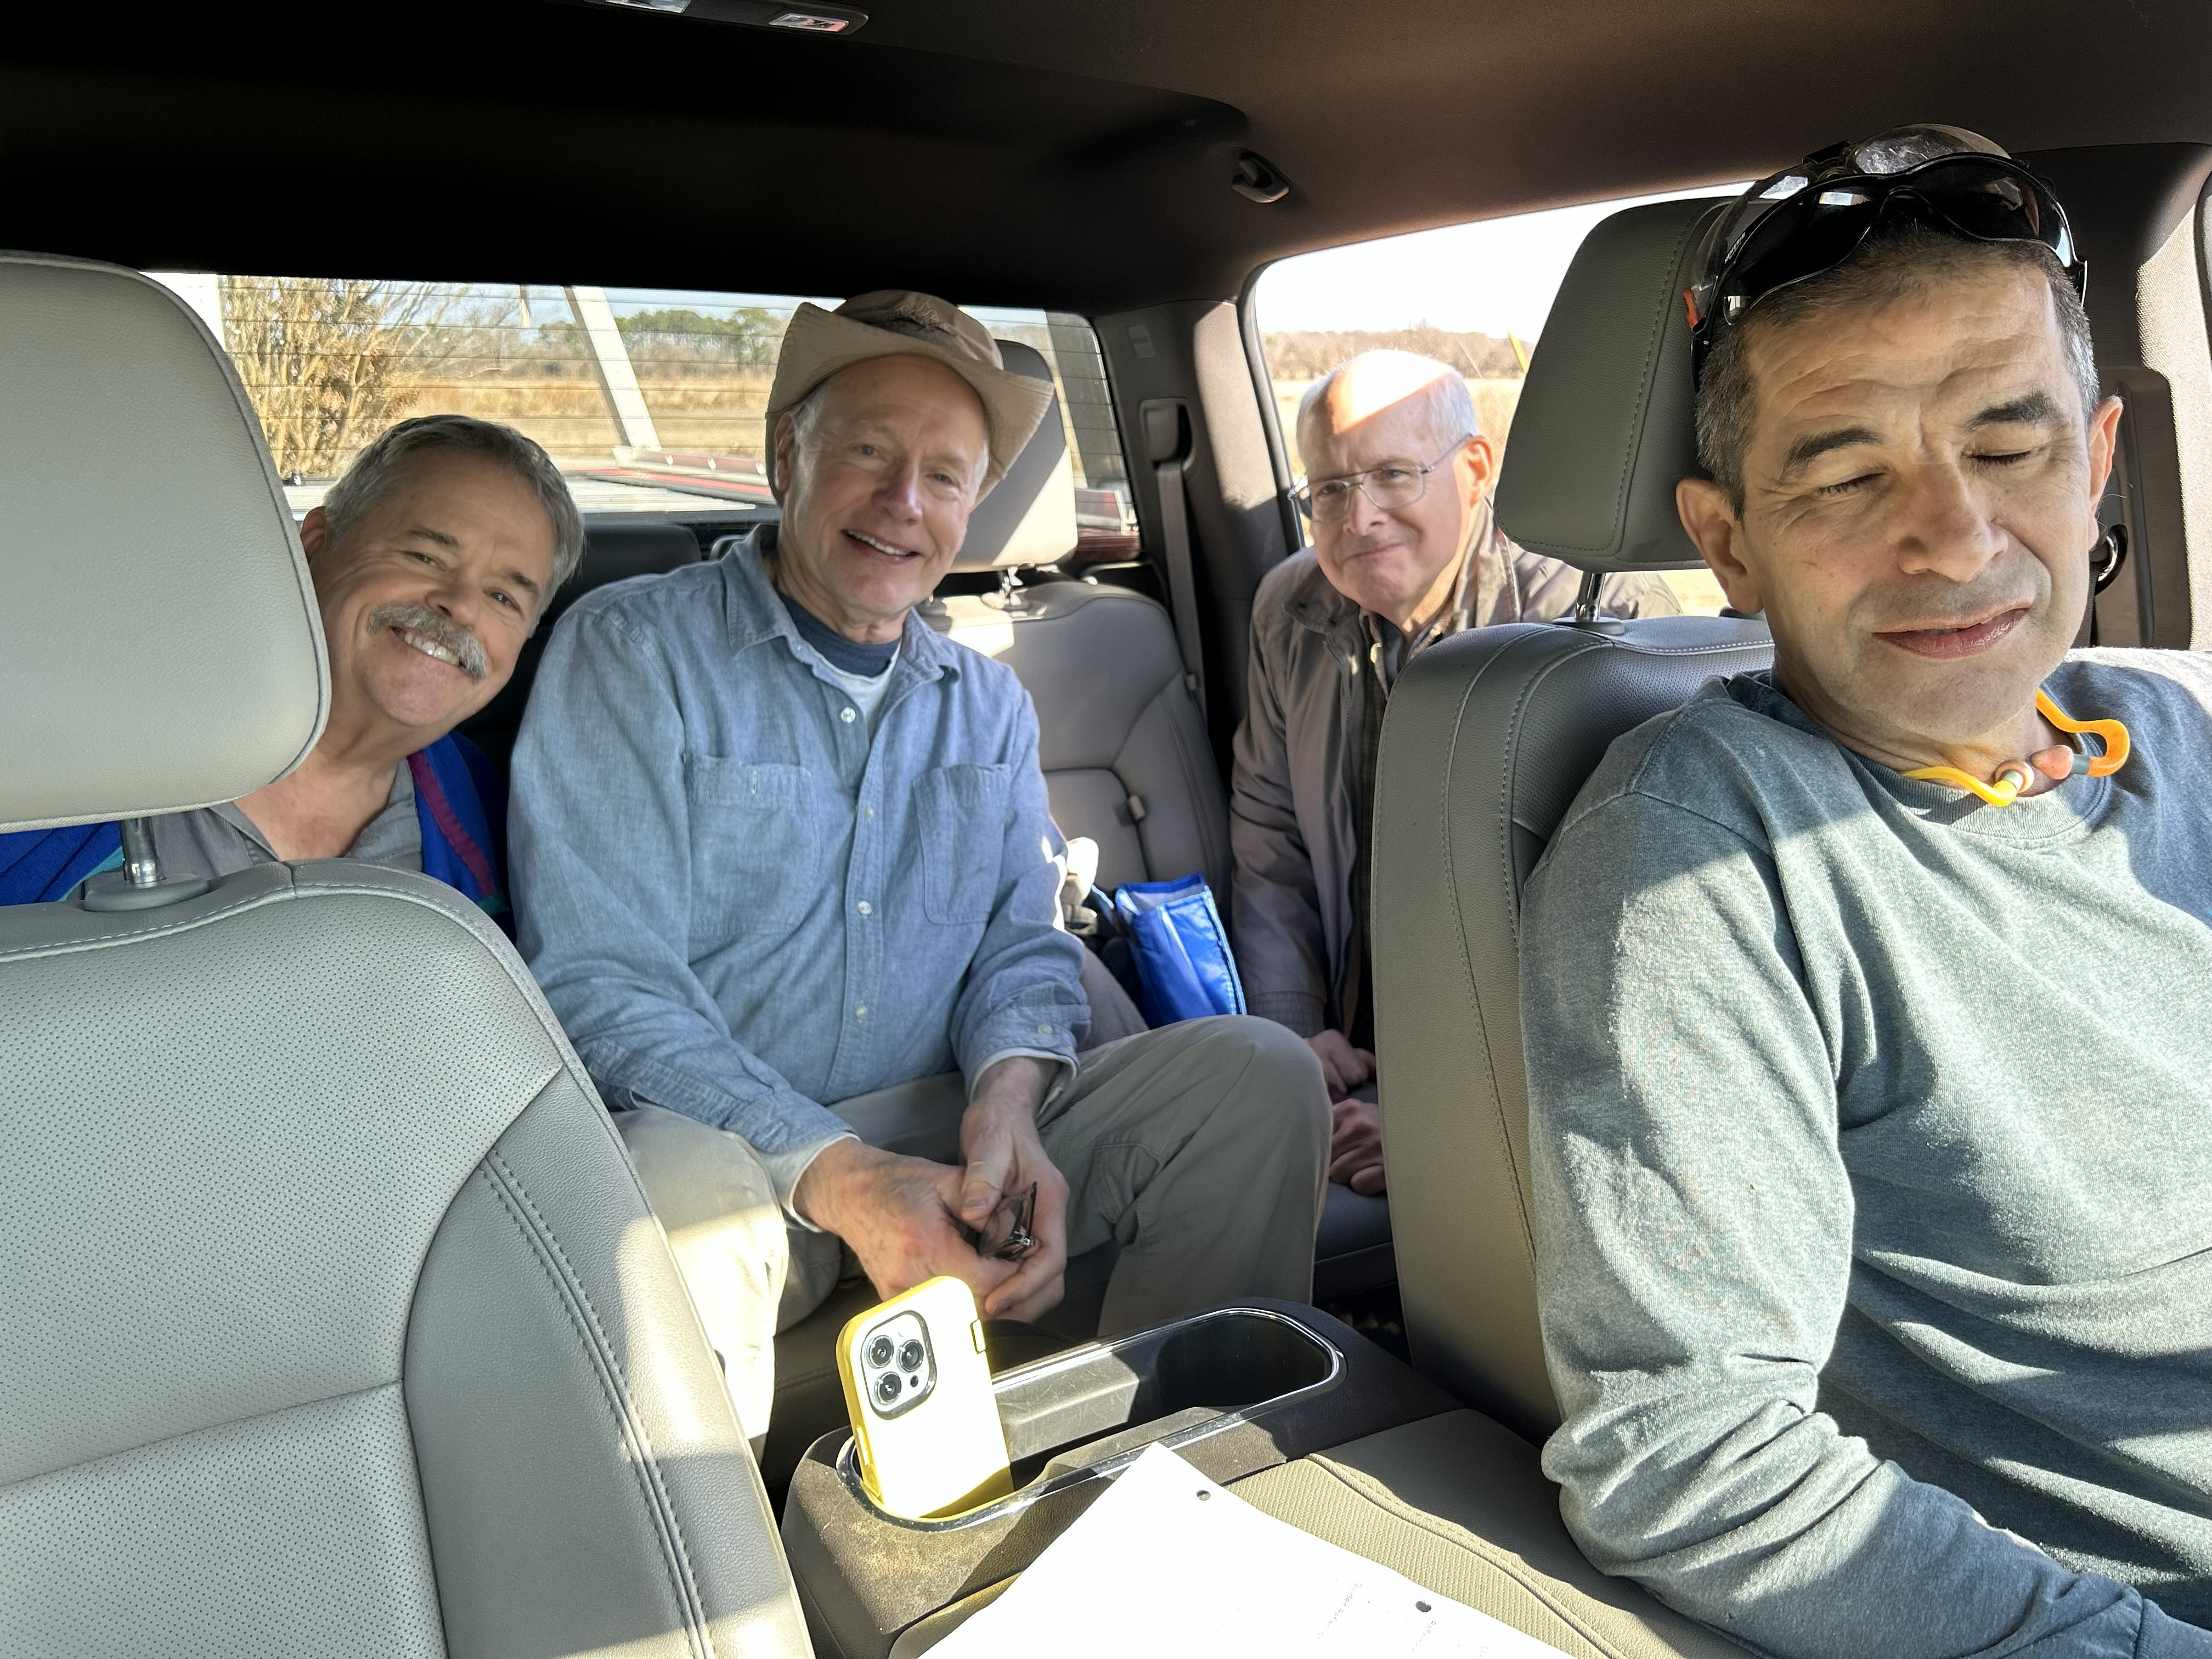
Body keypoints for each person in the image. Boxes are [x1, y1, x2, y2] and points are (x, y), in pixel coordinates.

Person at [1521, 127, 2212, 1656]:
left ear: (2097, 459)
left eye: (2011, 450)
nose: (1955, 540)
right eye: (1846, 475)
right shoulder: (1706, 852)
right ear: (1729, 544)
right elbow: (1690, 1453)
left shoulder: (2178, 730)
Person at [509, 290, 1329, 1444]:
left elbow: (1020, 945)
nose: (905, 502)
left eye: (944, 476)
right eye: (867, 453)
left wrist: (1010, 1107)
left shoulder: (987, 701)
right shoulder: (634, 650)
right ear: (784, 456)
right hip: (732, 1151)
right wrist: (845, 1176)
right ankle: (719, 1553)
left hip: (950, 1130)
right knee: (679, 1202)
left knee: (1261, 1073)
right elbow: (603, 982)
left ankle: (1176, 1474)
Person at [1230, 351, 1676, 1193]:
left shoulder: (1596, 625)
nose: (1359, 517)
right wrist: (1293, 1034)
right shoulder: (1289, 610)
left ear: (1473, 470)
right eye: (1329, 489)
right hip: (1357, 1051)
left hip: (1528, 1092)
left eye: (1393, 475)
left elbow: (1631, 941)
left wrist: (1448, 1114)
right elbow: (1271, 838)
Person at [0, 414, 579, 920]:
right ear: (314, 543)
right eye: (426, 556)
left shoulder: (497, 818)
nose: (463, 606)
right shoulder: (61, 751)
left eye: (504, 597)